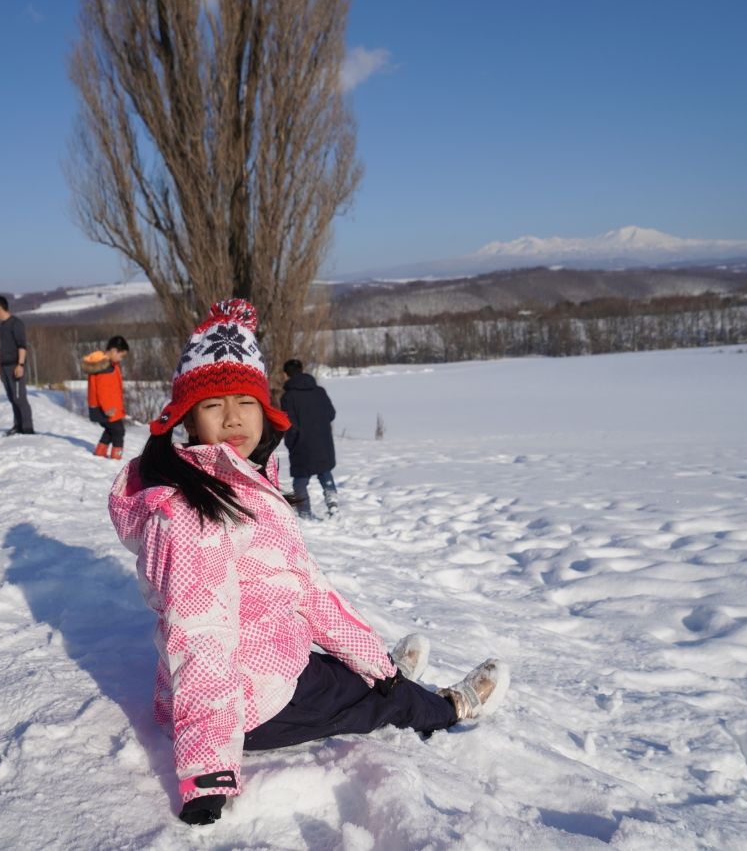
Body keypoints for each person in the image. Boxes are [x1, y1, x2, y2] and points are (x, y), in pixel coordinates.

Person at [108, 300, 508, 826]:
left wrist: (374, 662)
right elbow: (201, 635)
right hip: (249, 706)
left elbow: (305, 589)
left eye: (245, 401)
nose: (233, 418)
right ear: (184, 418)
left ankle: (382, 674)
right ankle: (446, 708)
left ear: (263, 408)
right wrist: (207, 768)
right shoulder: (196, 512)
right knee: (375, 704)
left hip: (270, 665)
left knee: (355, 676)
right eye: (213, 404)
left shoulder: (242, 479)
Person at [280, 358, 339, 519]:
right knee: (325, 475)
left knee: (300, 483)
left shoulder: (288, 397)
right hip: (323, 443)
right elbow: (331, 414)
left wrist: (291, 444)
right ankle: (333, 506)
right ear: (304, 371)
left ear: (286, 375)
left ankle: (305, 516)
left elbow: (290, 425)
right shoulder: (319, 391)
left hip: (301, 445)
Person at [0, 295, 34, 435]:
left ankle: (27, 427)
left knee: (20, 398)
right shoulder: (2, 326)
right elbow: (4, 347)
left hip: (16, 366)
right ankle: (18, 425)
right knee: (12, 398)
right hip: (5, 366)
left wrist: (20, 364)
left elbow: (22, 345)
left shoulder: (16, 323)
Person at [82, 335, 128, 459]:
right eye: (121, 355)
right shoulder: (105, 367)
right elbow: (103, 391)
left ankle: (100, 452)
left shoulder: (107, 365)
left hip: (101, 408)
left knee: (110, 430)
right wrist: (108, 409)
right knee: (119, 431)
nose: (121, 359)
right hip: (106, 409)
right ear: (113, 351)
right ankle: (116, 457)